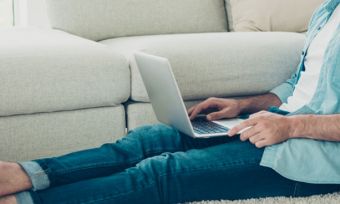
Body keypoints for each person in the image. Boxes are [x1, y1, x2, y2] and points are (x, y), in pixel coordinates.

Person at [1, 0, 340, 203]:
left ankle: (27, 200)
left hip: (313, 154)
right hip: (279, 121)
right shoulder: (329, 10)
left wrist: (293, 125)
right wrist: (245, 104)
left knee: (162, 172)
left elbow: (303, 115)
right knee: (149, 140)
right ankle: (25, 173)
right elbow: (302, 85)